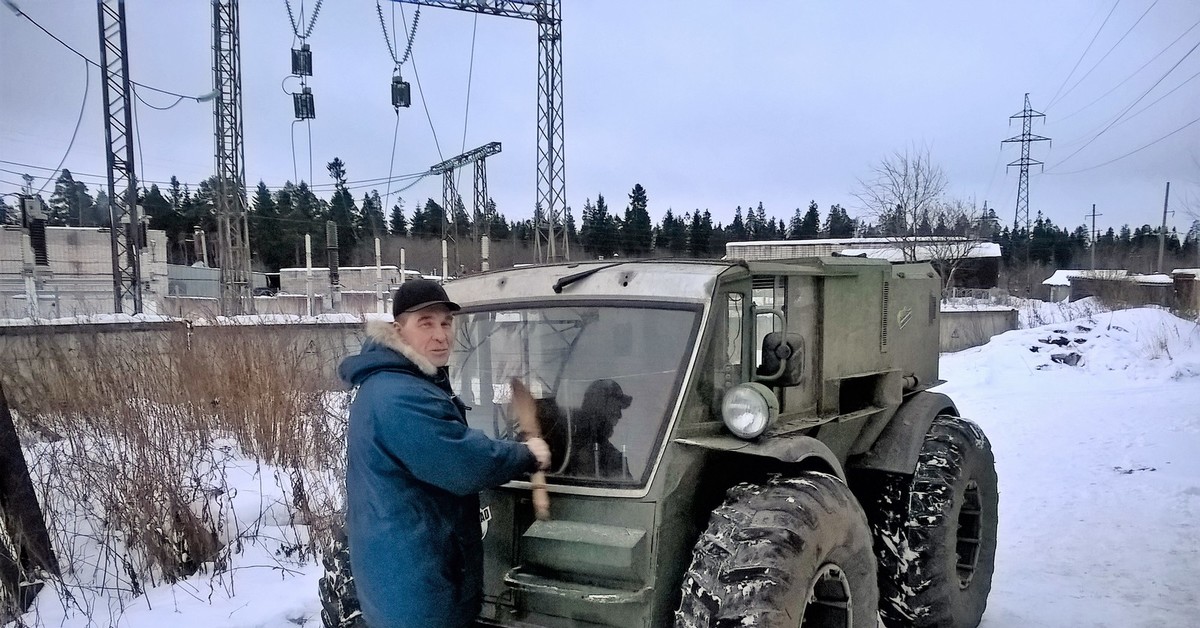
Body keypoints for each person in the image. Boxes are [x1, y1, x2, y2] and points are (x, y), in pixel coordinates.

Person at [338, 279, 551, 628]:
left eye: (446, 323)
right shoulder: (400, 396)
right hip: (417, 590)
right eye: (426, 323)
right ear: (398, 329)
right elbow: (463, 463)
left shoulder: (396, 383)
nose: (440, 335)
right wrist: (526, 454)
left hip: (402, 578)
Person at [561, 379, 633, 479]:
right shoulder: (569, 449)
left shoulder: (612, 455)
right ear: (600, 407)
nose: (620, 415)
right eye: (617, 407)